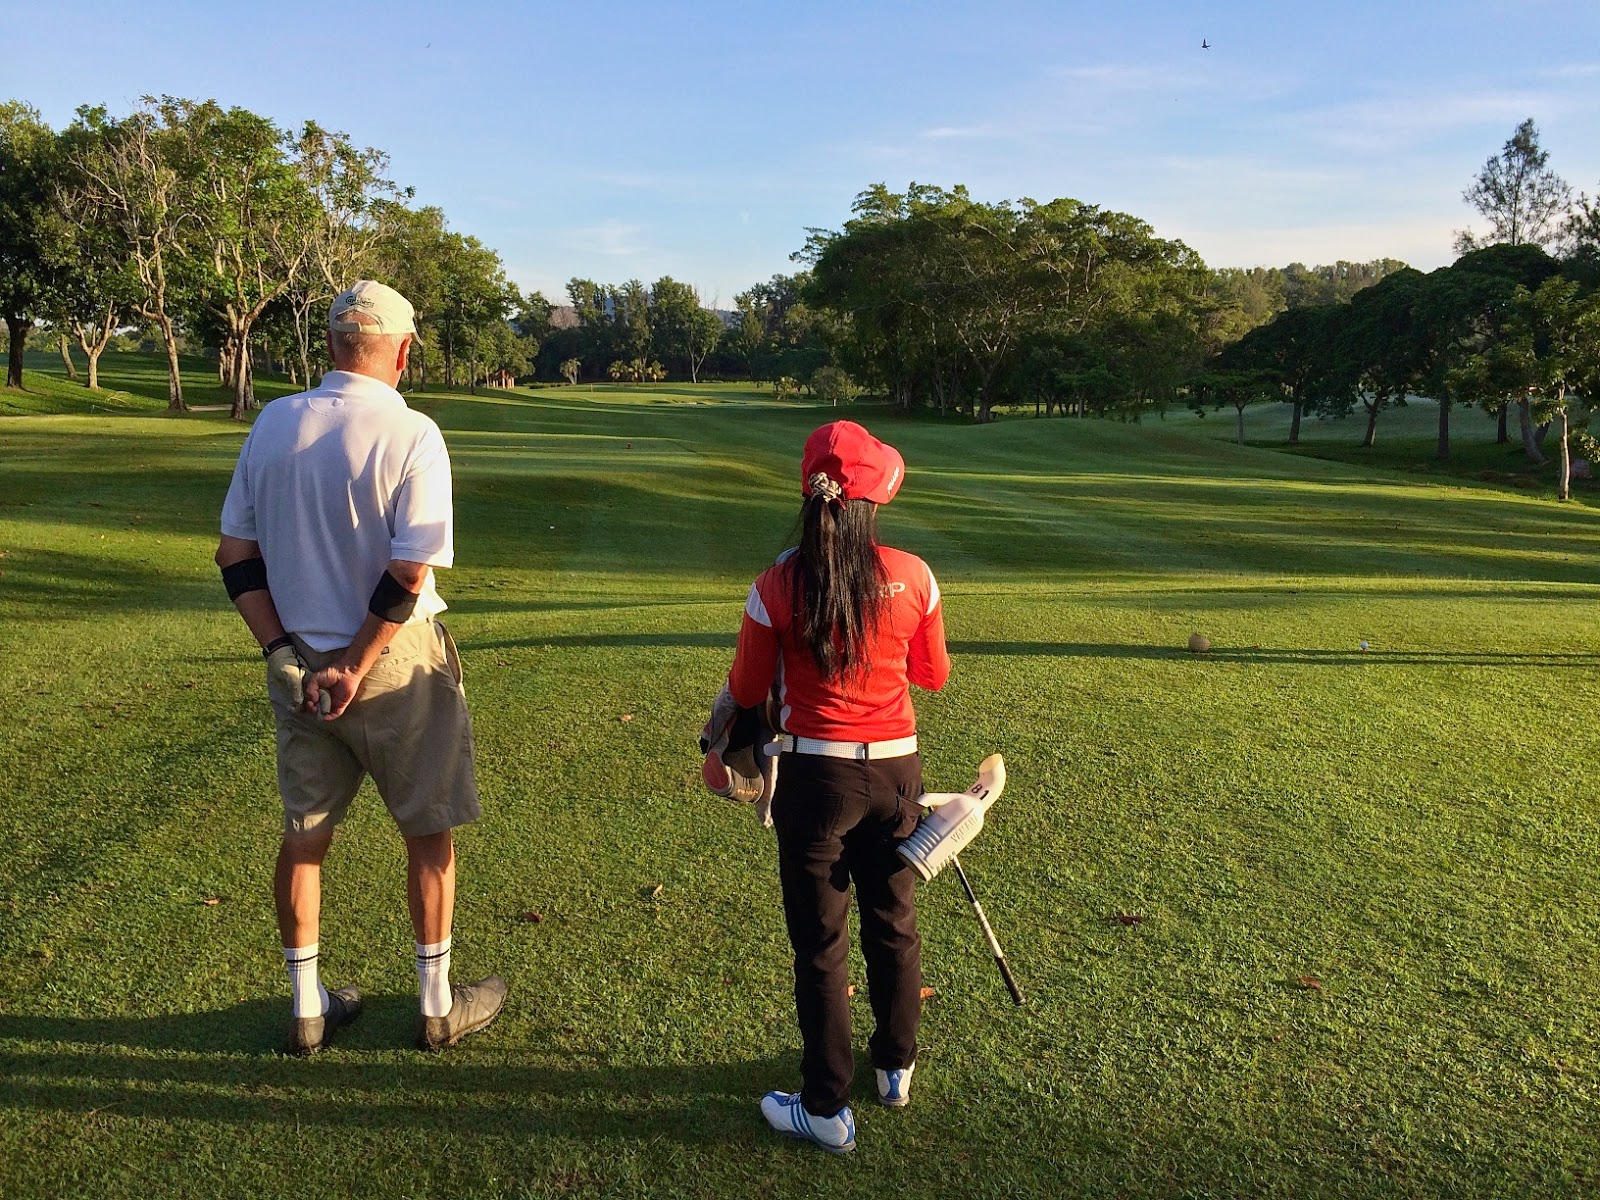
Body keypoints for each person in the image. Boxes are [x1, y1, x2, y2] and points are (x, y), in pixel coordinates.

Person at [215, 280, 505, 1056]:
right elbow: (409, 571)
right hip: (392, 660)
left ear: (333, 344)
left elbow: (235, 555)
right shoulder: (413, 432)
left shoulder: (273, 422)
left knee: (304, 837)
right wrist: (354, 664)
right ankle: (437, 1007)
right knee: (428, 830)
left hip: (296, 661)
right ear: (402, 351)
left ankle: (308, 1010)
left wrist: (283, 653)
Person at [725, 420, 951, 1153]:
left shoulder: (774, 584)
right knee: (893, 919)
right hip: (897, 773)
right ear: (875, 500)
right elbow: (932, 675)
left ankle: (826, 1107)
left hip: (814, 779)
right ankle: (895, 1069)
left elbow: (747, 689)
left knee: (821, 945)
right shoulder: (915, 575)